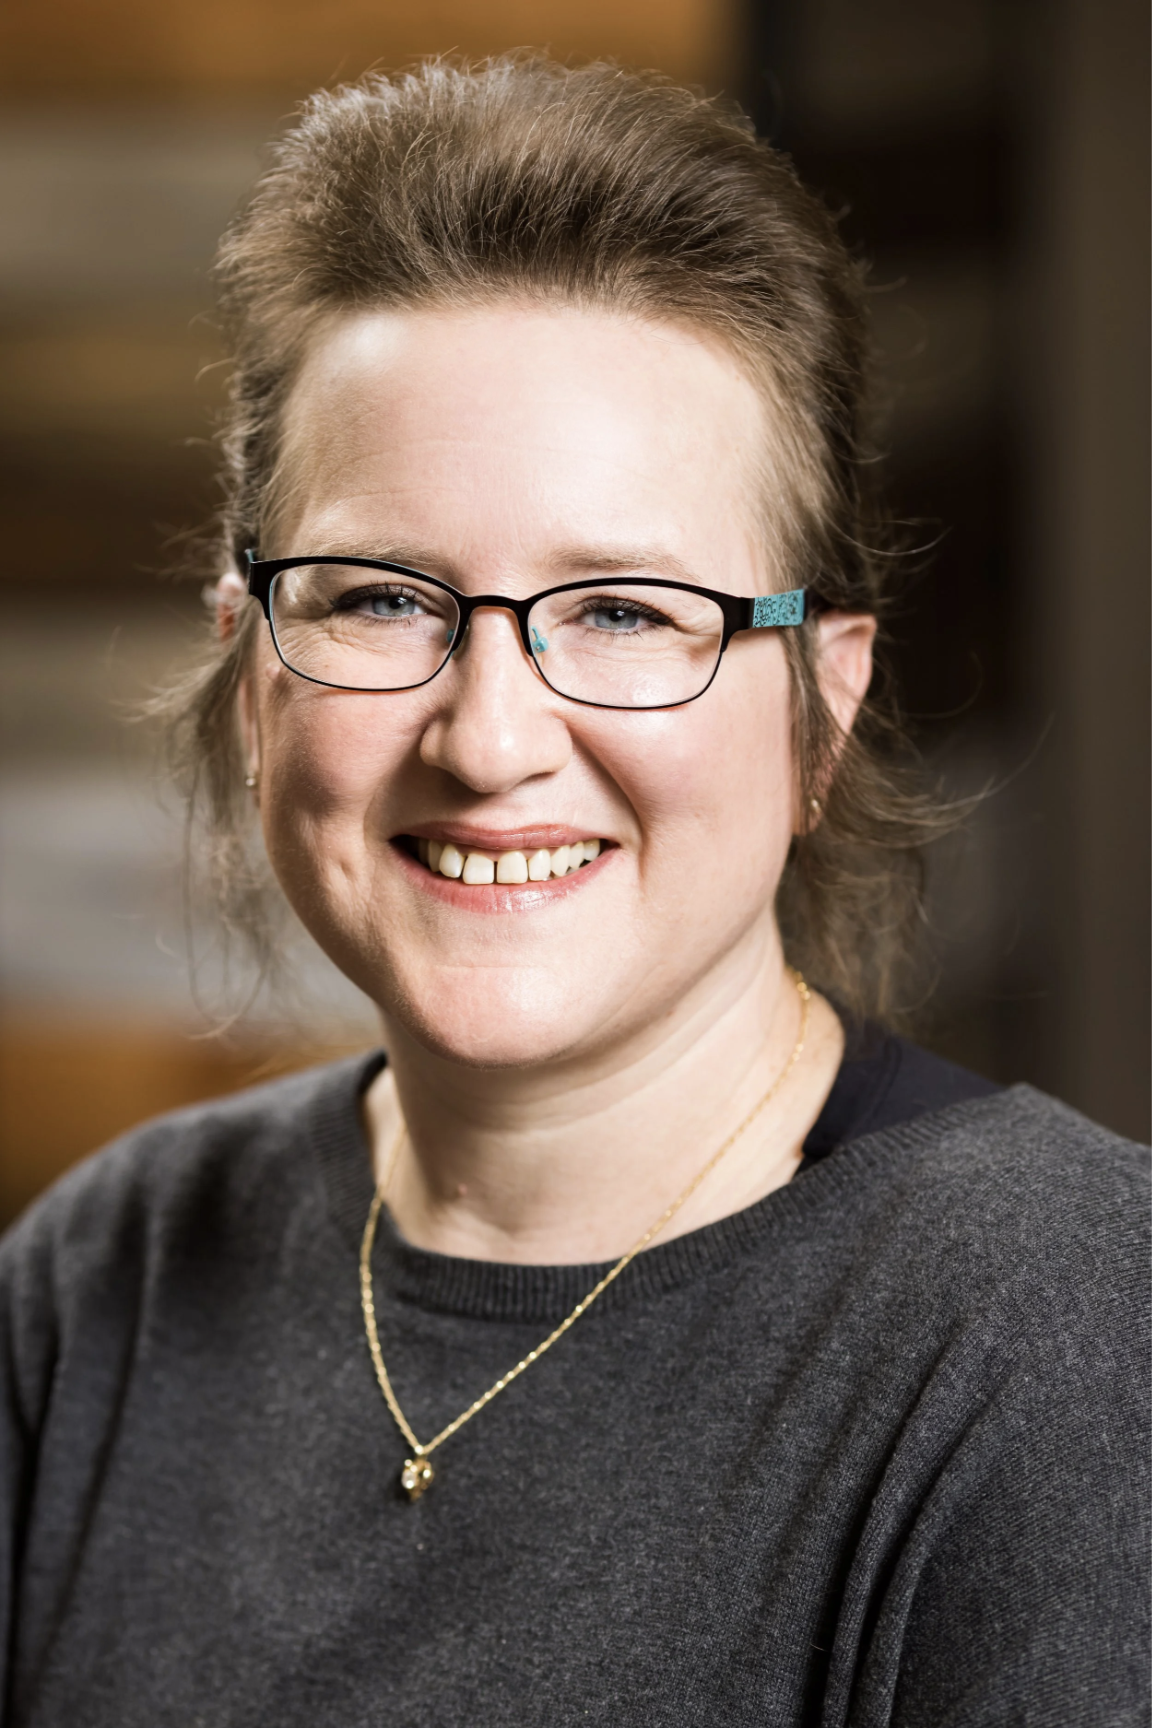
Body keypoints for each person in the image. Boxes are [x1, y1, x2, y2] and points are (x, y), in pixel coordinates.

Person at [0, 56, 1146, 1728]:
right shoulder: (109, 1271)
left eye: (623, 611)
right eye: (382, 599)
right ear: (251, 668)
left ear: (821, 700)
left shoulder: (1072, 1332)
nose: (488, 739)